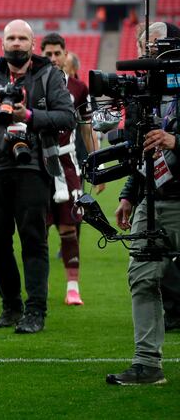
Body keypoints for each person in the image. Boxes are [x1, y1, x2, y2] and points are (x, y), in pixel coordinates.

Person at [0, 20, 75, 334]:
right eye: (11, 37)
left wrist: (28, 116)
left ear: (32, 43)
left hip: (33, 168)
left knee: (34, 241)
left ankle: (36, 310)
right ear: (2, 43)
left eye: (22, 38)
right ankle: (11, 305)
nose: (16, 43)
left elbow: (68, 116)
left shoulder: (50, 75)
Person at [106, 21, 180, 385]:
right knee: (142, 276)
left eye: (155, 44)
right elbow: (140, 153)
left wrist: (176, 141)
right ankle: (147, 363)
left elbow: (164, 142)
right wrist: (128, 194)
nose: (148, 51)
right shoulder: (138, 94)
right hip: (153, 199)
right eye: (143, 45)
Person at [40, 33, 101, 306]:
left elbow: (87, 127)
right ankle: (37, 288)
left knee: (69, 227)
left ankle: (72, 287)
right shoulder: (33, 85)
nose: (53, 59)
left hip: (67, 165)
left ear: (65, 55)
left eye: (57, 53)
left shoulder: (78, 88)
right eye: (48, 54)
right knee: (36, 230)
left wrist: (97, 164)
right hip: (38, 165)